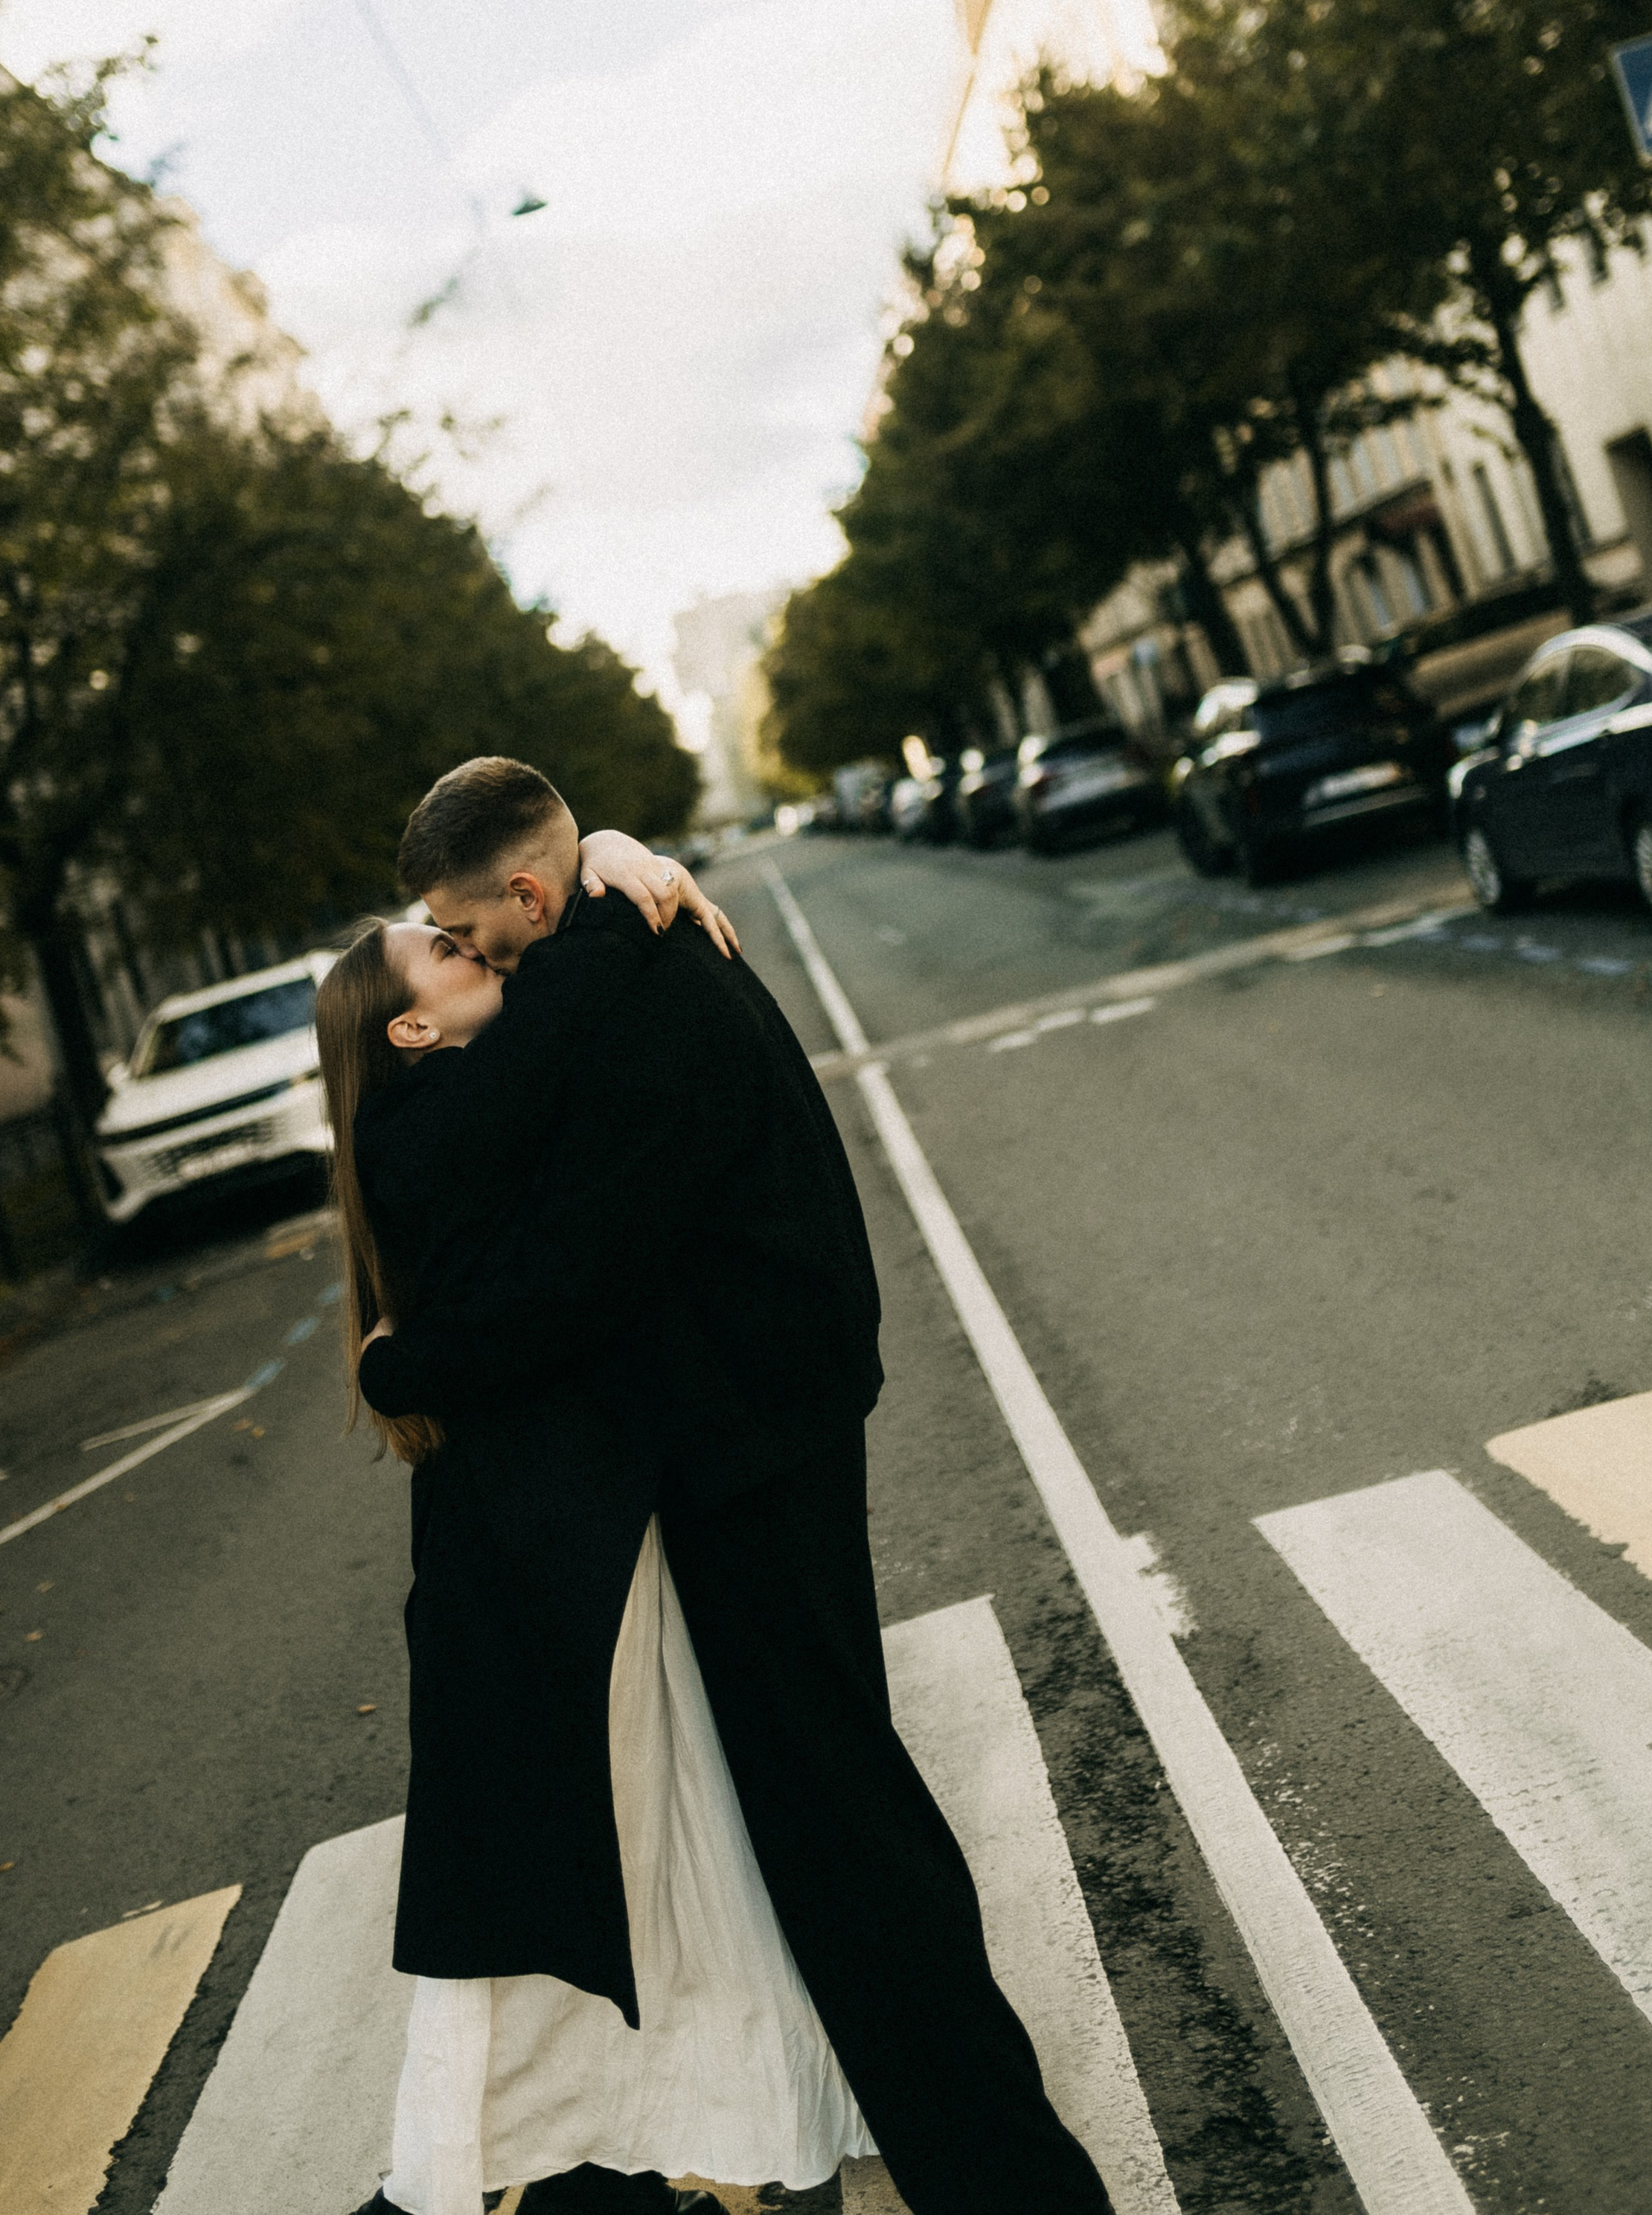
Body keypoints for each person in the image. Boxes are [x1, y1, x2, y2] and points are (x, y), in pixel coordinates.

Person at [350, 761, 1112, 2215]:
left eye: (479, 934)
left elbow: (575, 1277)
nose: (483, 965)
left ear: (526, 893)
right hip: (768, 1425)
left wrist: (408, 1369)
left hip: (752, 1448)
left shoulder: (631, 988)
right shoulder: (620, 948)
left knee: (839, 1828)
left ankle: (1008, 2183)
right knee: (818, 1818)